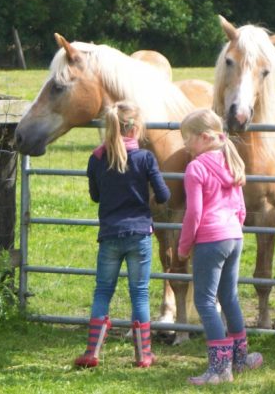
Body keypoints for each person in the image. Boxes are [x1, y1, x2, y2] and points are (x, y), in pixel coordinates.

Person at [74, 102, 170, 369]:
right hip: (139, 234)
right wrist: (146, 195)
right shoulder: (145, 158)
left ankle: (92, 352)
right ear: (136, 128)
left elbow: (95, 196)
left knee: (103, 291)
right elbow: (163, 196)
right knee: (139, 293)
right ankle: (143, 355)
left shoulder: (96, 158)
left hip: (109, 235)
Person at [177, 108, 262, 385]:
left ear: (203, 137)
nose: (185, 144)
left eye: (187, 138)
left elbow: (194, 214)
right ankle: (240, 359)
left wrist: (184, 245)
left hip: (211, 239)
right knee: (229, 297)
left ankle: (219, 369)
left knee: (204, 301)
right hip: (234, 236)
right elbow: (241, 207)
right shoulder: (230, 161)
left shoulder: (196, 168)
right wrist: (235, 228)